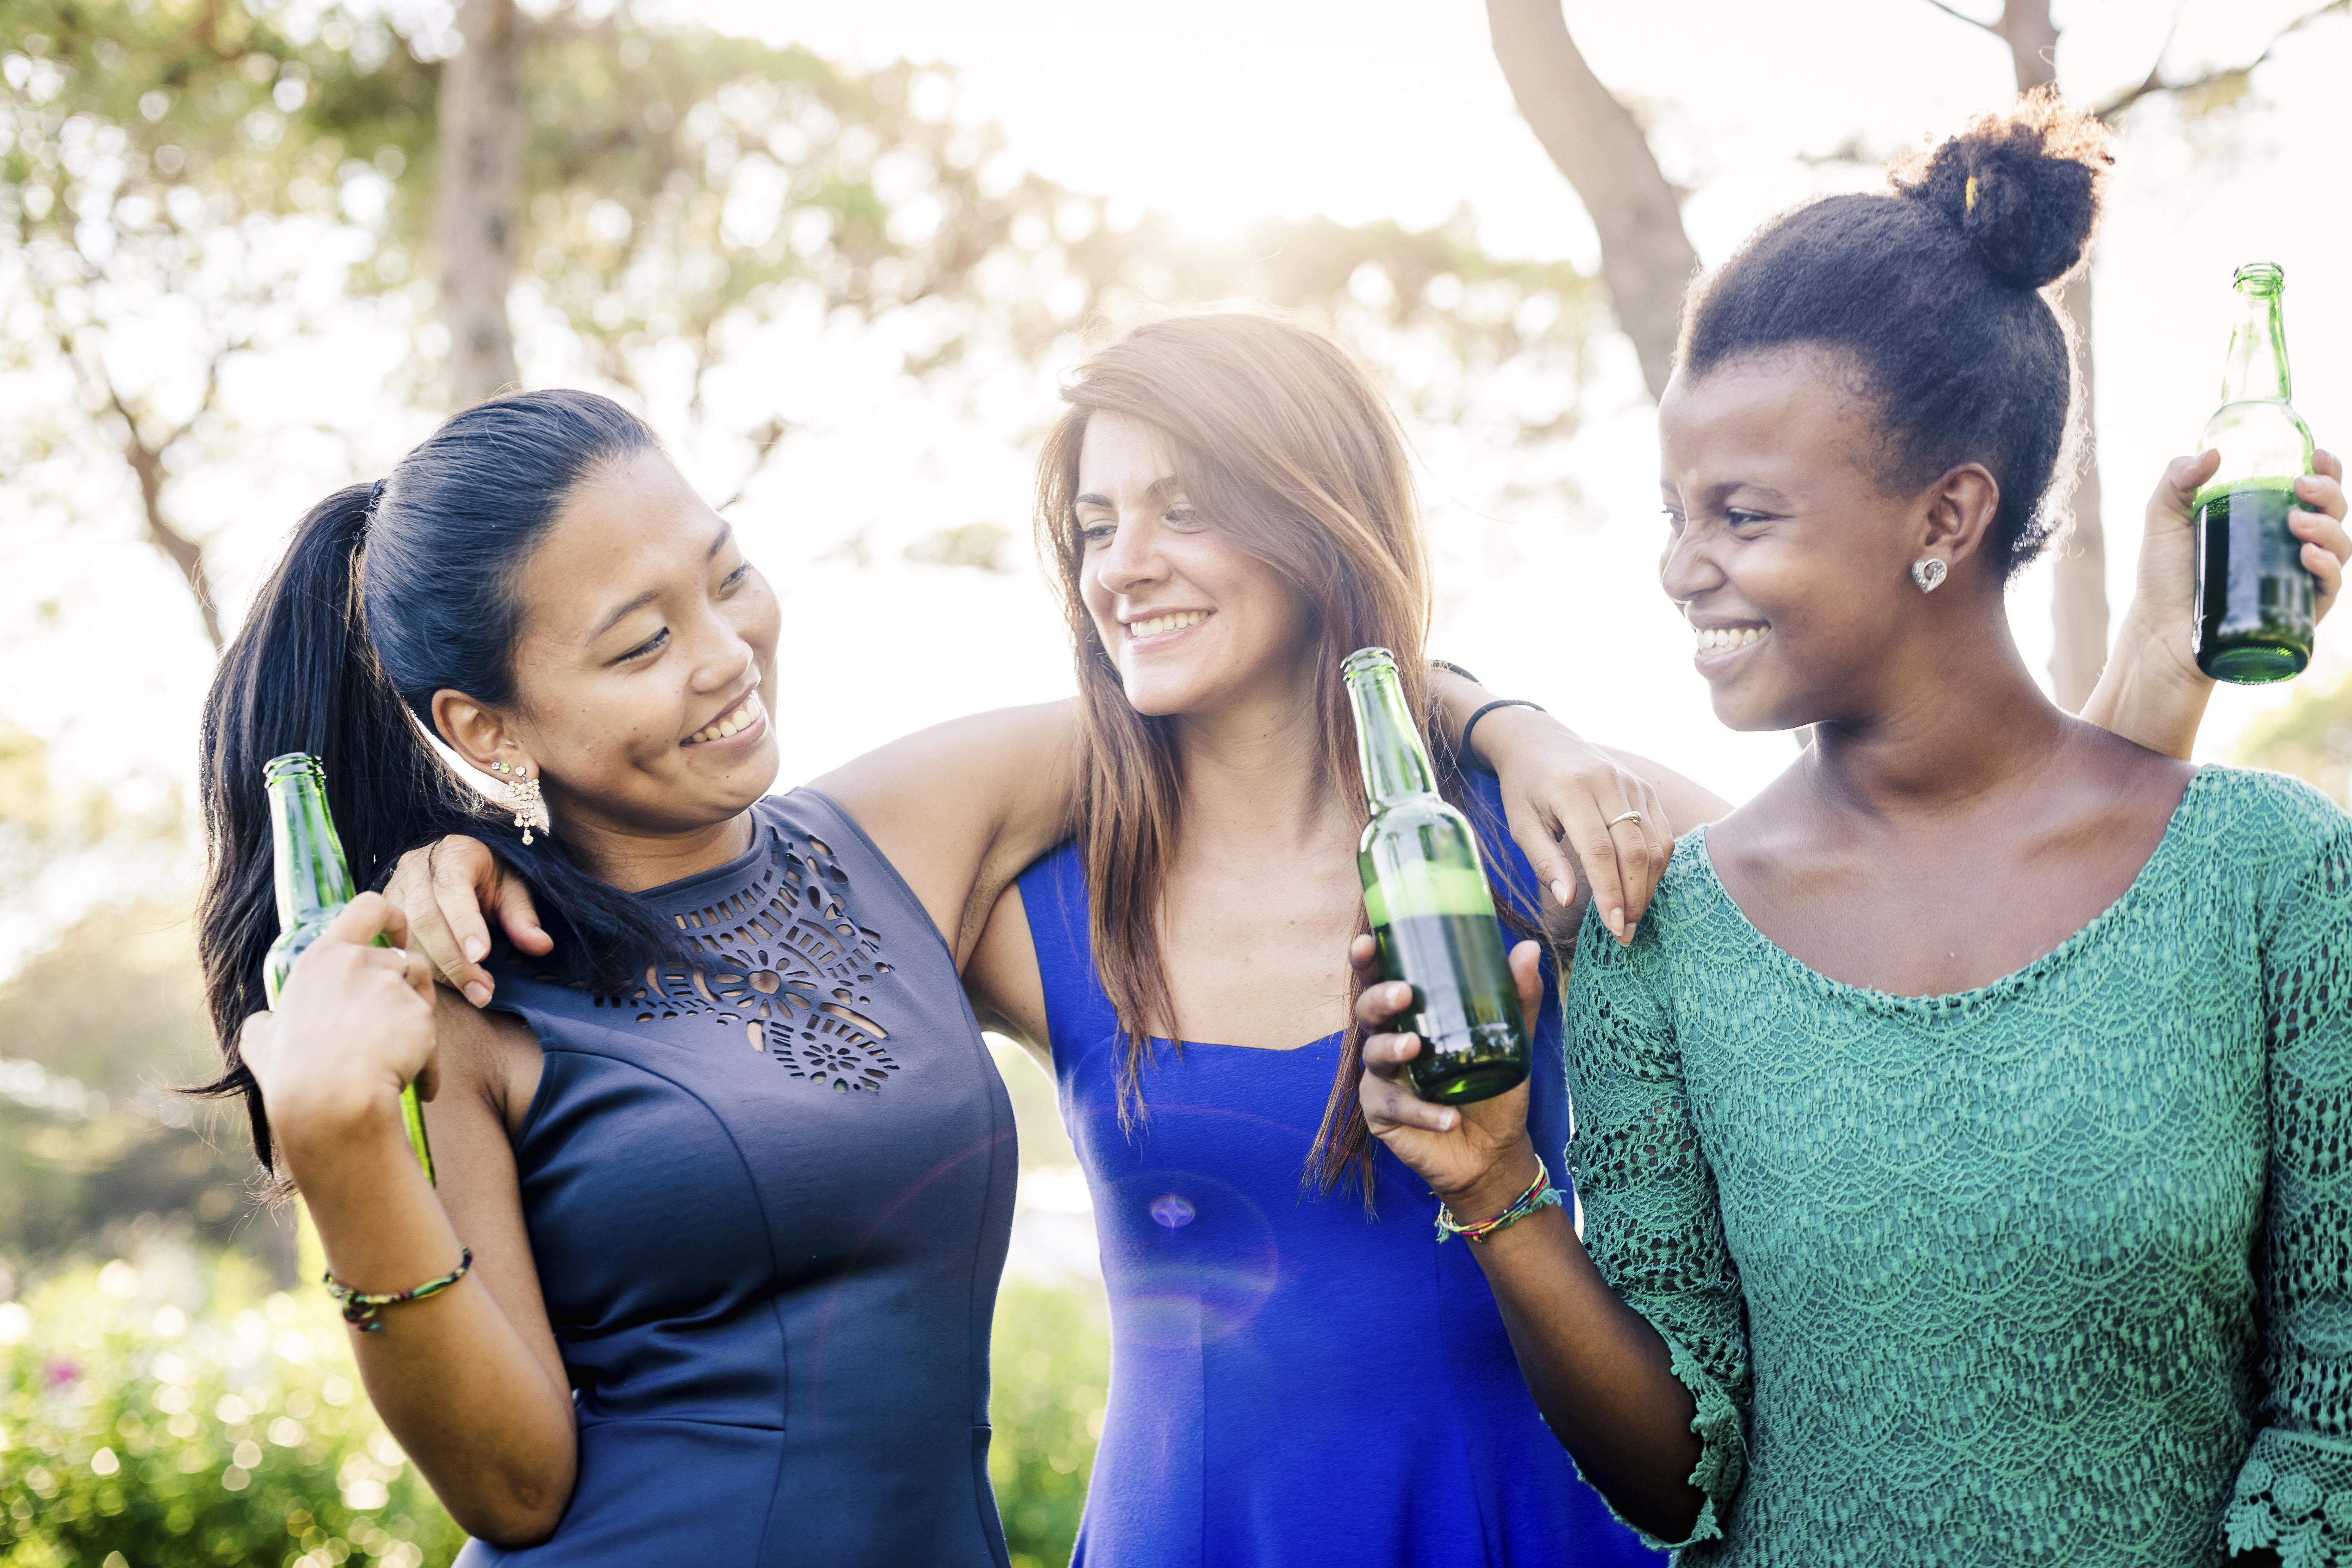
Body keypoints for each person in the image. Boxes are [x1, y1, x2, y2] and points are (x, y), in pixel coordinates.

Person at [390, 302, 2314, 1564]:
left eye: (1182, 509)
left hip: (1540, 1519)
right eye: (1090, 524)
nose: (1123, 563)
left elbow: (1959, 953)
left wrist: (2156, 678)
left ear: (1315, 521)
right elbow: (692, 942)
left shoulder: (1565, 836)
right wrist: (458, 877)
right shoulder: (1019, 911)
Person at [1353, 96, 2352, 1567]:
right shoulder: (1658, 937)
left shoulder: (2272, 872)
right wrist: (1499, 1186)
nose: (1683, 568)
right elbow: (1677, 1479)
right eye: (1675, 512)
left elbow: (2331, 1415)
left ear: (1945, 514)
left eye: (1742, 515)